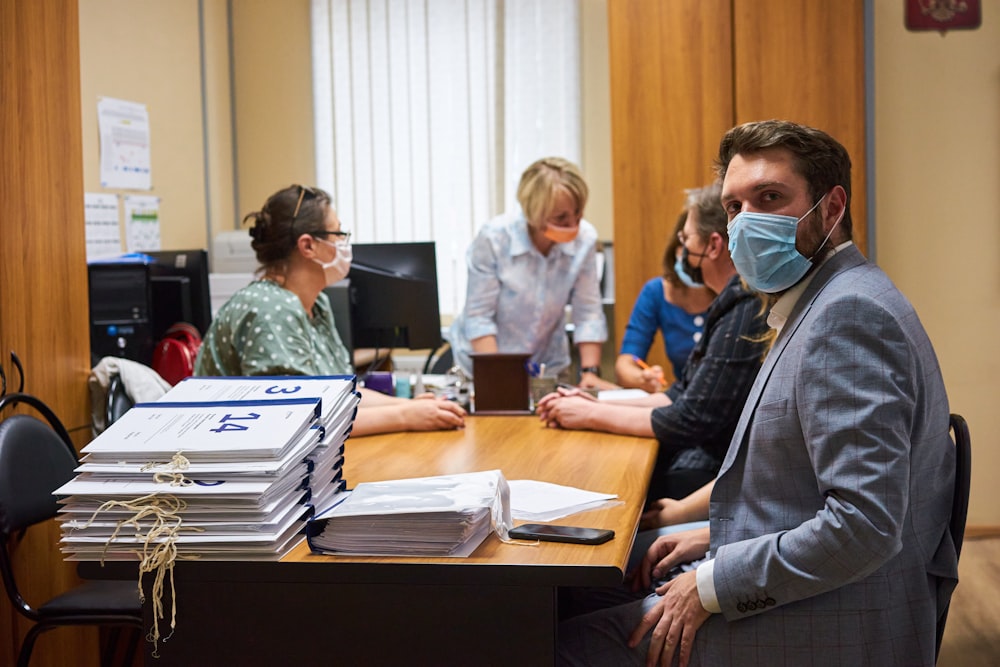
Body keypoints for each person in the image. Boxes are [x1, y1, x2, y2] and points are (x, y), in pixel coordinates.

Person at [557, 120, 958, 667]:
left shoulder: (848, 316)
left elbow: (864, 526)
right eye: (735, 206)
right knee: (580, 589)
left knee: (562, 643)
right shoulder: (826, 299)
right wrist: (708, 537)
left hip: (837, 620)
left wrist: (713, 583)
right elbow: (798, 490)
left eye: (770, 197)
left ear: (831, 207)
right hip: (817, 583)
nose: (747, 222)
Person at [537, 181, 770, 500]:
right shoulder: (728, 302)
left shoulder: (744, 307)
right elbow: (681, 394)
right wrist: (593, 403)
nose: (683, 250)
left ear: (713, 246)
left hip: (714, 473)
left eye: (686, 240)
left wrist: (590, 415)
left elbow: (690, 419)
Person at [194, 184, 466, 436]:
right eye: (338, 234)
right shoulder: (271, 309)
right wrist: (405, 415)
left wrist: (408, 405)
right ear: (308, 245)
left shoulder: (317, 304)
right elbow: (299, 421)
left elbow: (343, 394)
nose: (344, 243)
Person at [448, 157, 608, 386]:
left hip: (547, 366)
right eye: (561, 218)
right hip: (488, 364)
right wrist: (499, 380)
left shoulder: (585, 239)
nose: (573, 224)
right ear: (535, 213)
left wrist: (590, 372)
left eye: (578, 213)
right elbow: (479, 317)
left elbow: (589, 312)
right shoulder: (495, 239)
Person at [614, 210, 715, 392]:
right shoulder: (656, 292)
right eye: (683, 243)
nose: (687, 254)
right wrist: (643, 378)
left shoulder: (738, 294)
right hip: (683, 400)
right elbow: (625, 364)